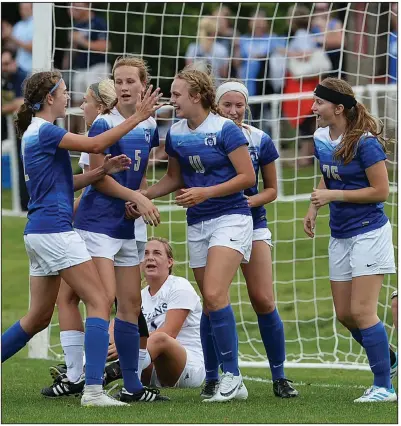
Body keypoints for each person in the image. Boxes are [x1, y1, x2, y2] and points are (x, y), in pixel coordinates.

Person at [1, 70, 163, 407]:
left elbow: (63, 185)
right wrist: (139, 116)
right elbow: (95, 144)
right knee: (101, 301)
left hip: (38, 233)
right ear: (50, 98)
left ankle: (90, 384)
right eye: (62, 92)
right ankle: (92, 391)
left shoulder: (36, 132)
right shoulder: (46, 130)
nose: (67, 98)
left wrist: (100, 172)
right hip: (57, 232)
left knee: (37, 318)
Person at [144, 67, 256, 402]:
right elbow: (175, 178)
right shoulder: (176, 133)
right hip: (198, 222)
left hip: (231, 218)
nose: (172, 100)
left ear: (196, 95)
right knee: (210, 301)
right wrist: (141, 197)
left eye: (177, 95)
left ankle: (232, 375)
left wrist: (206, 193)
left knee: (215, 293)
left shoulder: (224, 130)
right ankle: (212, 376)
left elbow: (248, 177)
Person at [73, 56, 169, 403]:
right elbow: (98, 181)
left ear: (144, 85)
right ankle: (92, 387)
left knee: (129, 304)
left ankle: (133, 386)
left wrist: (137, 198)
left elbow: (138, 176)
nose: (126, 87)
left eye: (132, 81)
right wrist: (135, 197)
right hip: (97, 225)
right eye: (120, 81)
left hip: (126, 225)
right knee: (102, 301)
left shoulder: (148, 125)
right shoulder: (102, 124)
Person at [39, 78, 138, 398]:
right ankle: (114, 377)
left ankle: (82, 376)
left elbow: (95, 183)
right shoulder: (136, 128)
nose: (80, 105)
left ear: (99, 104)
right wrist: (140, 198)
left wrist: (65, 212)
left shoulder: (98, 131)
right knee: (121, 304)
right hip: (126, 223)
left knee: (88, 300)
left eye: (86, 100)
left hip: (97, 227)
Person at [303, 77, 397, 403]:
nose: (313, 108)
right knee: (344, 313)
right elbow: (327, 175)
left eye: (319, 103)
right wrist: (315, 207)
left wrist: (332, 195)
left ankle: (384, 387)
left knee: (362, 310)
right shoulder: (319, 137)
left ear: (338, 108)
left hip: (369, 231)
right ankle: (388, 357)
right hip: (339, 234)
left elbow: (380, 191)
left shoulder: (365, 143)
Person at [214, 80, 299, 398]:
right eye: (227, 105)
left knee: (263, 299)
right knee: (214, 299)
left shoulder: (259, 139)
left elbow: (272, 190)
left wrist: (247, 202)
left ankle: (279, 375)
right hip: (213, 225)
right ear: (216, 106)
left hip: (254, 225)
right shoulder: (203, 137)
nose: (234, 111)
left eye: (239, 105)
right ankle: (216, 375)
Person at [105, 237, 205, 390]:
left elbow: (169, 333)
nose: (150, 257)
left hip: (187, 368)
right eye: (145, 254)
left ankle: (111, 373)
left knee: (160, 338)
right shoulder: (139, 296)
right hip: (150, 366)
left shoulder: (180, 286)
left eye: (157, 253)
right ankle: (81, 373)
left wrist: (127, 346)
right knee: (111, 332)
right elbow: (115, 328)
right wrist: (113, 341)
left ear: (169, 262)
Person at [63, 2, 111, 134]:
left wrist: (81, 40)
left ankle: (95, 136)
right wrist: (64, 69)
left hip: (97, 68)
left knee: (94, 103)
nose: (71, 9)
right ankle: (78, 140)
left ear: (87, 5)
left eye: (75, 5)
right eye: (70, 6)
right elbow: (72, 50)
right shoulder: (77, 25)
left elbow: (105, 47)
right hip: (80, 69)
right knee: (77, 105)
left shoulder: (98, 23)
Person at [185, 17, 229, 86]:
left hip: (196, 87)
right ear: (215, 32)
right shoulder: (222, 50)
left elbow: (188, 71)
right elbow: (223, 74)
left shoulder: (192, 48)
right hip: (214, 88)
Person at [1, 3, 33, 73]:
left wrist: (12, 37)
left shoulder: (36, 24)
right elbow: (12, 46)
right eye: (21, 9)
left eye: (25, 8)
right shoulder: (18, 25)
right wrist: (6, 36)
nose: (22, 11)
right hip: (18, 67)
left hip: (31, 69)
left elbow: (32, 48)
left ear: (32, 9)